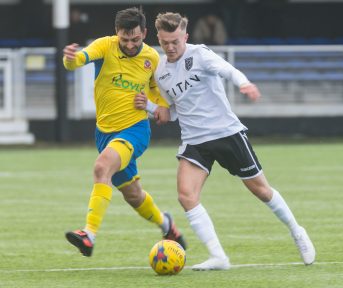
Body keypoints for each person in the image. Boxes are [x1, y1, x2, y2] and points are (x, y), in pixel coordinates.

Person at [134, 12, 315, 270]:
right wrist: (150, 107)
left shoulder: (200, 54)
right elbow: (174, 111)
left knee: (261, 190)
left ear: (185, 36)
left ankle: (297, 231)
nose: (171, 47)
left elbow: (228, 70)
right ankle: (219, 257)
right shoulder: (161, 72)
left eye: (175, 41)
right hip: (194, 141)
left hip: (226, 133)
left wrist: (245, 83)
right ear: (158, 39)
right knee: (186, 196)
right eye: (165, 42)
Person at [63, 7, 186, 257]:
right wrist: (69, 58)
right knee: (133, 195)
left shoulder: (152, 58)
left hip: (135, 130)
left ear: (145, 33)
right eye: (124, 39)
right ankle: (167, 225)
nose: (130, 45)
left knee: (101, 167)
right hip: (104, 134)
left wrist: (152, 107)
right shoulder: (104, 46)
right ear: (116, 33)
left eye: (136, 39)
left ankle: (89, 234)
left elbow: (159, 97)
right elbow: (78, 60)